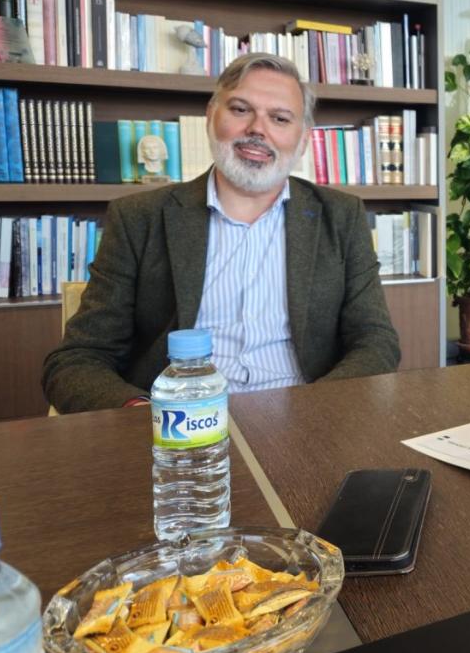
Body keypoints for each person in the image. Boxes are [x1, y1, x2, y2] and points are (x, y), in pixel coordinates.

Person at [43, 53, 400, 413]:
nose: (258, 130)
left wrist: (317, 409)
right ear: (211, 116)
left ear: (303, 139)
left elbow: (376, 342)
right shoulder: (139, 218)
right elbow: (77, 360)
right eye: (241, 110)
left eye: (279, 118)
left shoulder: (342, 216)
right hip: (179, 433)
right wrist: (142, 417)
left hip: (306, 422)